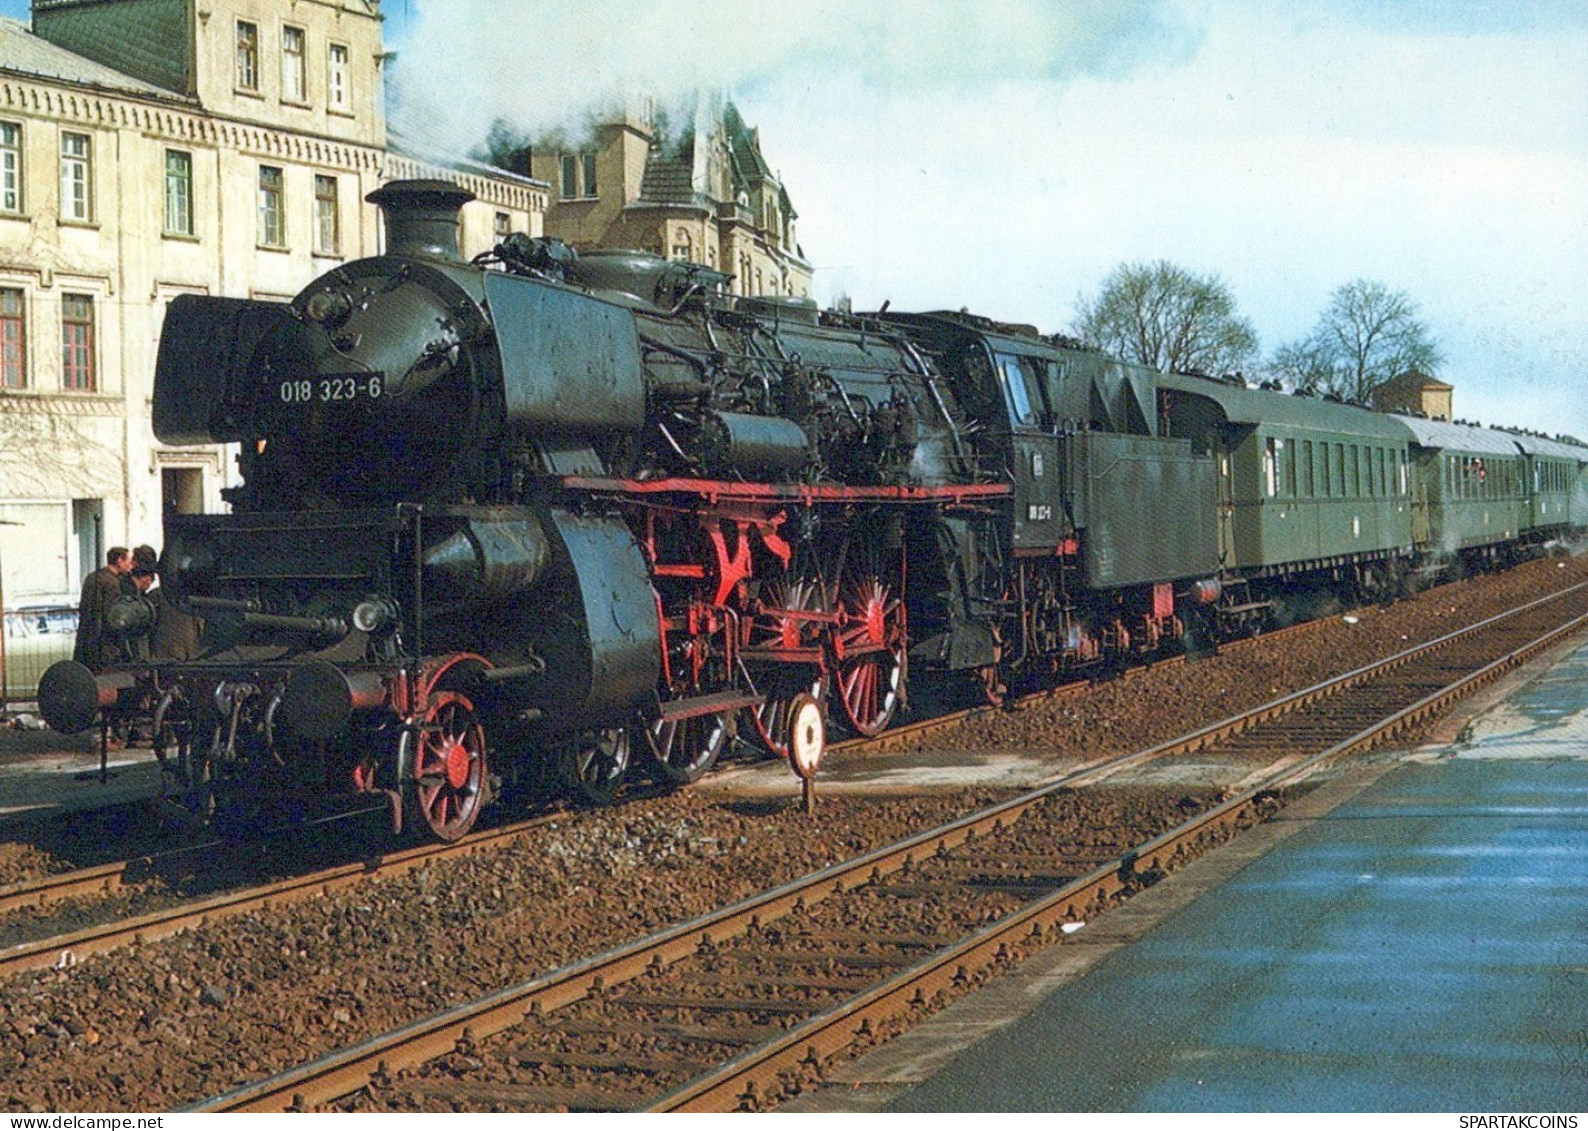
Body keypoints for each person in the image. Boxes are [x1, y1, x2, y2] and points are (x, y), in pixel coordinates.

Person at [73, 546, 132, 671]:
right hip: (104, 643)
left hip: (85, 638)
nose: (130, 565)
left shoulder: (92, 577)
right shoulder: (113, 583)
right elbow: (111, 615)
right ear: (119, 561)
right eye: (128, 561)